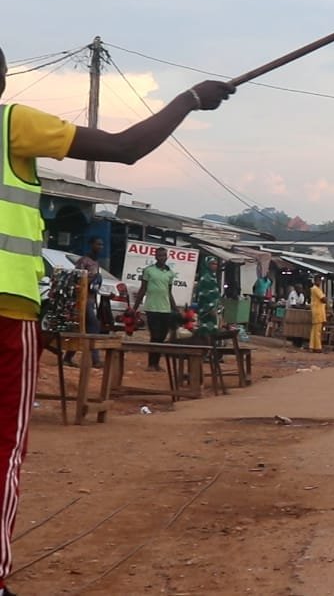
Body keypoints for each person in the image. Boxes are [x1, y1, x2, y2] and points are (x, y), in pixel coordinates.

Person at [0, 45, 231, 596]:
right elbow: (126, 148)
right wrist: (188, 100)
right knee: (2, 447)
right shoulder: (12, 122)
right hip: (6, 314)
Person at [133, 247, 179, 371]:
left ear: (167, 257)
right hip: (152, 308)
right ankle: (151, 364)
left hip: (165, 309)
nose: (161, 258)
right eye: (159, 255)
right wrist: (134, 308)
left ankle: (156, 363)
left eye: (164, 255)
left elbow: (169, 292)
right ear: (155, 257)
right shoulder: (148, 271)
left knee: (162, 337)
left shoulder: (170, 273)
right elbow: (142, 289)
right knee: (155, 335)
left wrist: (175, 309)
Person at [63, 236, 105, 368]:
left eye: (102, 245)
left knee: (81, 329)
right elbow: (77, 280)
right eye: (98, 244)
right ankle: (95, 360)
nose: (100, 247)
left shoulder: (96, 262)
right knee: (94, 326)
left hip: (91, 299)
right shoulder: (84, 261)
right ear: (91, 244)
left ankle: (68, 357)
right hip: (83, 299)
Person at [193, 257, 224, 344]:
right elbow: (204, 294)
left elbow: (215, 293)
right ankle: (207, 349)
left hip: (213, 308)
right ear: (207, 264)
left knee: (212, 329)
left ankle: (210, 350)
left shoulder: (212, 276)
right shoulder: (206, 277)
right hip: (207, 309)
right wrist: (210, 308)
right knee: (206, 330)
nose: (215, 266)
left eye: (216, 264)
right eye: (212, 264)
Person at [309, 278, 327, 353]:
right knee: (317, 331)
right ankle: (317, 347)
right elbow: (323, 299)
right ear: (315, 281)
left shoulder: (316, 289)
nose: (319, 282)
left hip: (318, 311)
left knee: (315, 331)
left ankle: (312, 346)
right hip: (318, 312)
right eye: (318, 281)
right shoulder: (316, 289)